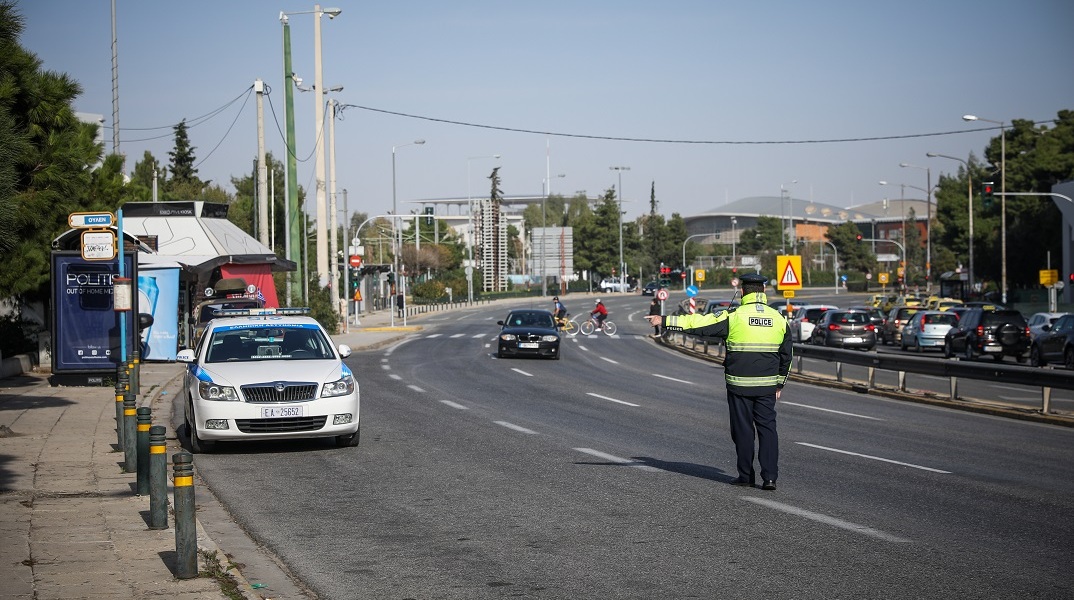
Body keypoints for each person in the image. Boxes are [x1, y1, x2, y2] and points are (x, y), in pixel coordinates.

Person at [645, 273, 791, 491]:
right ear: (763, 292)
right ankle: (770, 478)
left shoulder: (734, 316)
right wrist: (779, 384)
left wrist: (665, 320)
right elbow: (787, 355)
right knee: (767, 430)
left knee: (743, 431)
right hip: (767, 387)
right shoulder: (779, 319)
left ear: (742, 292)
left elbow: (700, 324)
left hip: (739, 386)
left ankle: (745, 476)